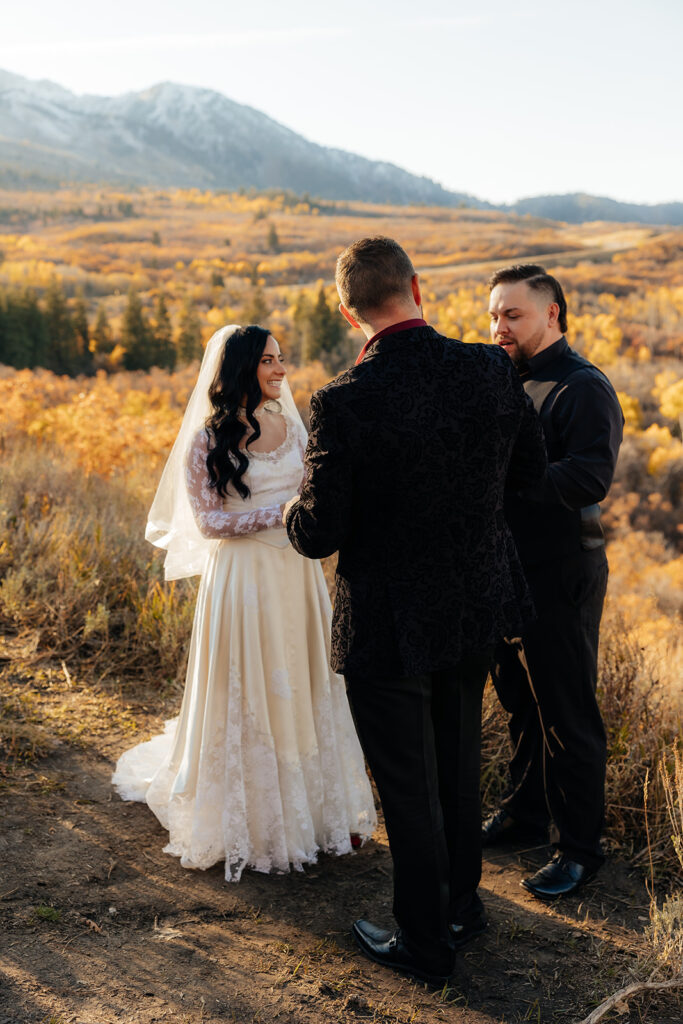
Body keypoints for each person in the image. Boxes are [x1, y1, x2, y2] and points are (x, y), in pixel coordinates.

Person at [284, 238, 547, 985]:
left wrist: (294, 509)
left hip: (389, 623)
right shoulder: (489, 368)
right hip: (472, 607)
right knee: (457, 767)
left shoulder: (344, 400)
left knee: (407, 785)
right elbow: (528, 473)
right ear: (416, 287)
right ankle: (461, 908)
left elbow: (318, 534)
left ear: (349, 312)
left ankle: (425, 945)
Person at [112, 324, 376, 881]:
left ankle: (313, 810)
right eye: (268, 361)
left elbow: (316, 492)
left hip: (295, 574)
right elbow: (210, 523)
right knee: (252, 687)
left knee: (301, 680)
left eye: (281, 358)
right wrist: (280, 514)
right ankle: (254, 819)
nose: (281, 369)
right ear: (241, 369)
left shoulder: (294, 426)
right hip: (243, 579)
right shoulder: (207, 441)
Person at [484, 265, 624, 899]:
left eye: (513, 315)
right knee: (520, 702)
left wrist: (501, 481)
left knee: (567, 713)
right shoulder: (501, 379)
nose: (500, 326)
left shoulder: (582, 386)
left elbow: (590, 477)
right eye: (495, 315)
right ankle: (525, 814)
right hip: (505, 569)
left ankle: (579, 851)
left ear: (551, 314)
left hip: (562, 571)